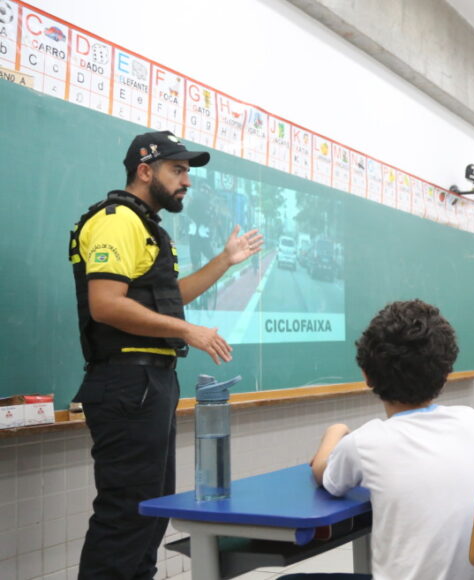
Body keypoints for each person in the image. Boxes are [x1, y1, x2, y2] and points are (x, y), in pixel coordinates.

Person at [70, 130, 263, 579]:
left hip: (149, 384)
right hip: (126, 382)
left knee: (148, 513)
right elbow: (106, 304)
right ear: (144, 171)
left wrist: (224, 260)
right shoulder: (117, 220)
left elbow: (168, 298)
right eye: (177, 170)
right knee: (126, 516)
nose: (187, 182)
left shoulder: (145, 225)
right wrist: (187, 331)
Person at [308, 300, 474, 579]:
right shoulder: (470, 420)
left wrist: (335, 431)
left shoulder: (364, 442)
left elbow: (324, 475)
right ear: (445, 374)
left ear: (367, 375)